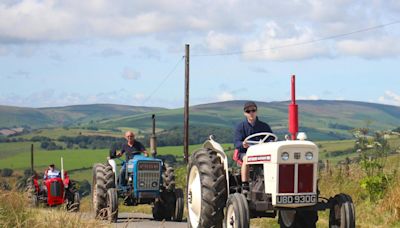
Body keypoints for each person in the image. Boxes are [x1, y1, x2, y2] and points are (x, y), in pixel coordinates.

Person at [233, 101, 273, 192]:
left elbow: (271, 138)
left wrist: (269, 142)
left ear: (256, 111)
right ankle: (245, 185)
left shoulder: (264, 126)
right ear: (245, 113)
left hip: (261, 153)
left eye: (253, 110)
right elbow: (236, 143)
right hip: (245, 152)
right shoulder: (240, 127)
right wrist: (242, 144)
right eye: (248, 111)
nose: (251, 113)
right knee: (247, 158)